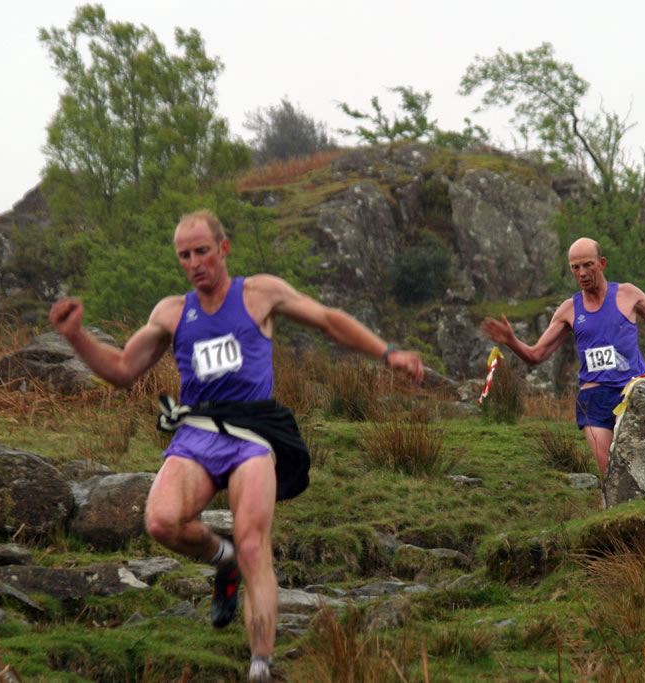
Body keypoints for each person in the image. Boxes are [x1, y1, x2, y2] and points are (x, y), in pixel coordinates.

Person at [50, 209, 424, 682]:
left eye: (202, 251)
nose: (194, 263)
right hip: (197, 431)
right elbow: (123, 370)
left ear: (223, 249)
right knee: (161, 522)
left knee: (251, 544)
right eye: (185, 256)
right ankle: (219, 557)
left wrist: (388, 354)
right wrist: (76, 335)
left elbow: (328, 321)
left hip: (252, 432)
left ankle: (260, 665)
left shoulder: (259, 294)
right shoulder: (171, 312)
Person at [481, 237, 645, 476]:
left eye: (588, 265)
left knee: (643, 468)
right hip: (594, 401)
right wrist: (511, 340)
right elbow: (536, 355)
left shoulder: (627, 294)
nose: (582, 273)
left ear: (602, 263)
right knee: (611, 473)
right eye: (575, 267)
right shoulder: (568, 310)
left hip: (633, 394)